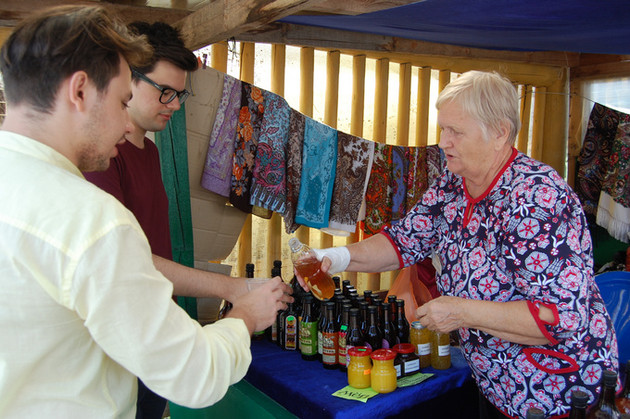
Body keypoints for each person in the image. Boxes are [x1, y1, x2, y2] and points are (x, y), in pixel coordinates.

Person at [0, 6, 291, 418]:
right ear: (80, 91)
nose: (124, 123)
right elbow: (194, 374)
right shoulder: (90, 218)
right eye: (121, 102)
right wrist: (244, 314)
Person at [296, 71, 619, 418]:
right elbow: (404, 240)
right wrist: (334, 257)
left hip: (561, 394)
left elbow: (558, 318)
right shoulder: (453, 182)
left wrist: (461, 311)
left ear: (499, 133)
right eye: (443, 128)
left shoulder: (537, 199)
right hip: (498, 385)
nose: (443, 142)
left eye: (456, 131)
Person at [83, 21, 272, 418]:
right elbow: (131, 262)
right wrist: (233, 289)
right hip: (115, 346)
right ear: (125, 80)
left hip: (148, 332)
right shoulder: (101, 161)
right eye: (164, 91)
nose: (173, 103)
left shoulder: (148, 152)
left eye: (180, 94)